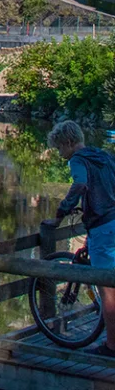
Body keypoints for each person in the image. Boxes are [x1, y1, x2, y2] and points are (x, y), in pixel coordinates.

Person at [47, 120, 115, 356]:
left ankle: (112, 346)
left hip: (104, 226)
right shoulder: (103, 156)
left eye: (59, 148)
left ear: (67, 142)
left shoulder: (78, 160)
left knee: (107, 288)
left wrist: (60, 214)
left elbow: (80, 185)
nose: (60, 154)